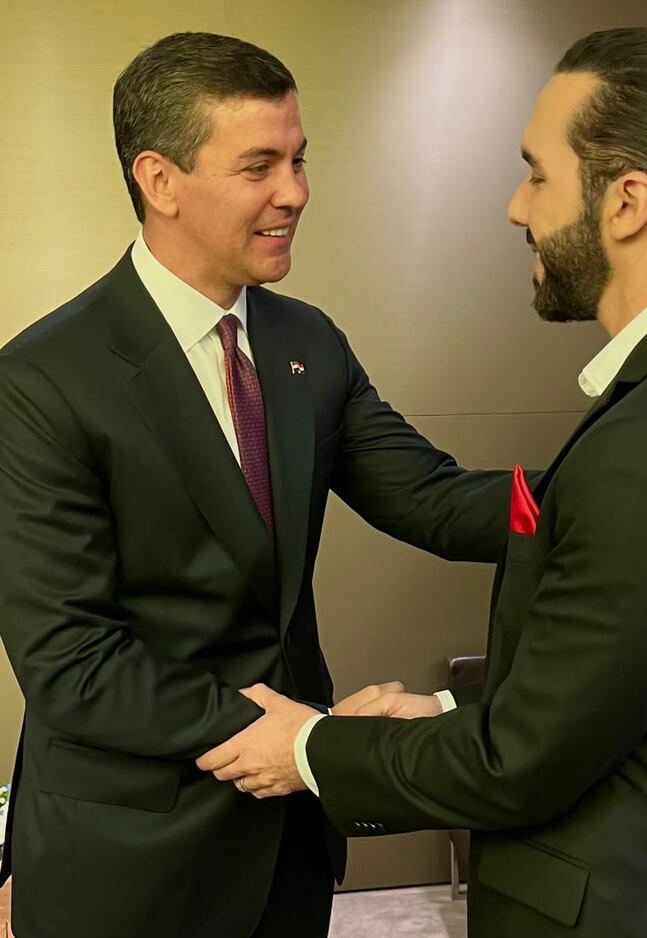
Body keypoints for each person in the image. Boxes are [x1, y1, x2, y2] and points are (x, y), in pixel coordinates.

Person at [200, 28, 647, 937]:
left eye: (536, 174)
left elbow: (519, 759)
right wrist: (447, 706)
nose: (515, 207)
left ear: (628, 202)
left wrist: (309, 746)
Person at [0, 32, 512, 938]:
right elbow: (73, 664)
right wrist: (287, 732)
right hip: (127, 862)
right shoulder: (41, 381)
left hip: (287, 847)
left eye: (299, 159)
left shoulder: (307, 341)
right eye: (259, 166)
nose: (296, 192)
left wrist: (623, 478)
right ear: (160, 180)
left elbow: (434, 499)